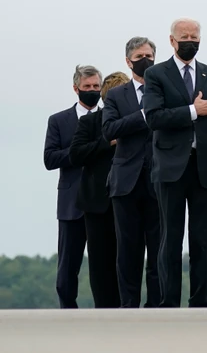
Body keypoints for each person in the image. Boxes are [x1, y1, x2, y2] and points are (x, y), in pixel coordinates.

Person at [144, 18, 207, 308]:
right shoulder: (157, 74)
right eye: (185, 36)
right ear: (172, 40)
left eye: (195, 36)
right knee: (170, 238)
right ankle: (169, 302)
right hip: (170, 167)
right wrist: (192, 110)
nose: (190, 40)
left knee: (202, 239)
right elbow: (154, 117)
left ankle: (200, 300)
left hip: (204, 168)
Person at [101, 37, 161, 308]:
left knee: (159, 248)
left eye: (149, 55)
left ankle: (158, 304)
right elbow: (109, 131)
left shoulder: (166, 91)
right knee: (128, 250)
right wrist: (144, 116)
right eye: (139, 56)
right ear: (128, 61)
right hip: (125, 182)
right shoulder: (115, 95)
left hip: (160, 179)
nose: (145, 59)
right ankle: (129, 305)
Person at [69, 71, 128, 308]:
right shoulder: (90, 122)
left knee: (127, 258)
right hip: (96, 203)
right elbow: (75, 154)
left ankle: (128, 305)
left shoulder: (140, 122)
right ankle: (104, 308)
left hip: (129, 199)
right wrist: (106, 142)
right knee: (99, 261)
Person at [44, 64, 101, 308]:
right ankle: (67, 312)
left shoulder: (110, 116)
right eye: (87, 87)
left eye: (96, 86)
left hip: (102, 200)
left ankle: (111, 311)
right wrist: (81, 151)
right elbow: (50, 159)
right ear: (76, 88)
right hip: (71, 203)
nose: (92, 90)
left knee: (105, 263)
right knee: (68, 266)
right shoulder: (58, 120)